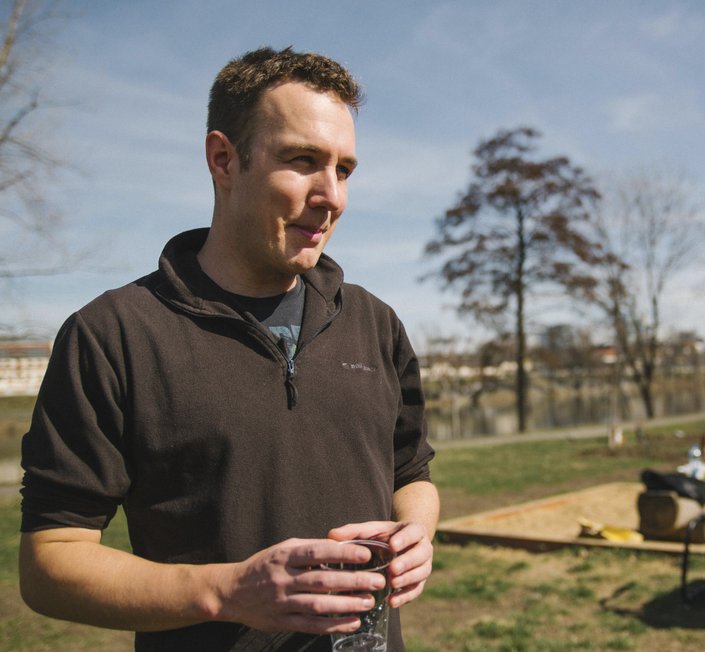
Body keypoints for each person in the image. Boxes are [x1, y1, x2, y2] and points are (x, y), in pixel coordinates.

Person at [19, 47, 439, 652]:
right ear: (223, 159)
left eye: (344, 170)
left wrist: (417, 535)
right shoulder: (113, 334)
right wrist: (228, 591)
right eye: (302, 161)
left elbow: (413, 475)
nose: (333, 196)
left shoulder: (374, 322)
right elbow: (50, 565)